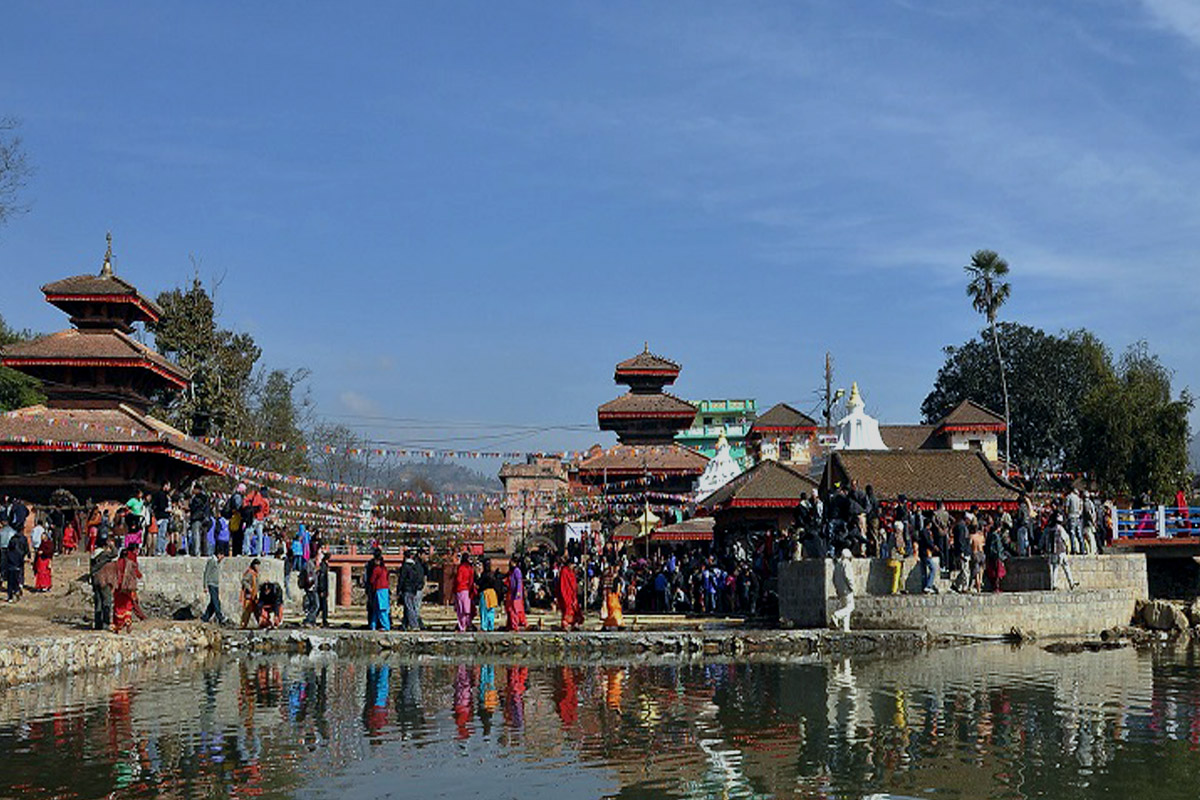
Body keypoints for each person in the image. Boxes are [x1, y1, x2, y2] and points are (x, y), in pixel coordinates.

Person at [109, 544, 145, 633]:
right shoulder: (130, 563)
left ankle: (117, 626)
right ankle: (128, 623)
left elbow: (111, 575)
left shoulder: (115, 564)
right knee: (128, 605)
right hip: (128, 588)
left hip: (118, 588)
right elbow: (136, 573)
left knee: (118, 606)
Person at [89, 536, 116, 629]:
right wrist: (112, 545)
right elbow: (114, 554)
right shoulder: (103, 554)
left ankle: (98, 624)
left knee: (98, 603)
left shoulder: (93, 554)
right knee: (106, 602)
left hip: (95, 581)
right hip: (103, 581)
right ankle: (106, 622)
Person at [397, 549, 425, 631]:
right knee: (409, 606)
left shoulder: (405, 566)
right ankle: (405, 624)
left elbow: (402, 579)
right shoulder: (415, 566)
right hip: (414, 589)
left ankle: (414, 624)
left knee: (409, 607)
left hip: (407, 589)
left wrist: (399, 589)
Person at [1049, 514, 1077, 591]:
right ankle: (1071, 583)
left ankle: (1054, 584)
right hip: (1061, 551)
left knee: (1055, 568)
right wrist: (1068, 548)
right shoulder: (1061, 529)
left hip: (1053, 552)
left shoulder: (1051, 530)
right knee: (1066, 567)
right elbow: (1066, 538)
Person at [201, 551, 230, 624]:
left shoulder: (217, 562)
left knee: (213, 602)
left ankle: (205, 617)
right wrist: (205, 585)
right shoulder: (212, 561)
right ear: (218, 554)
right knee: (216, 601)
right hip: (211, 584)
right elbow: (206, 573)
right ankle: (220, 616)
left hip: (215, 584)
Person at [366, 549, 391, 631]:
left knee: (380, 609)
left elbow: (372, 580)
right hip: (384, 589)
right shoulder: (384, 569)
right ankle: (373, 624)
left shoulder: (376, 569)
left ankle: (386, 626)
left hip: (379, 589)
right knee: (377, 609)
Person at [831, 548, 855, 632]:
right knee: (850, 607)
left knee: (845, 607)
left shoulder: (837, 564)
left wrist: (837, 588)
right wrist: (852, 587)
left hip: (840, 590)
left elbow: (833, 578)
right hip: (846, 589)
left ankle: (846, 628)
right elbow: (848, 577)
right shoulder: (846, 564)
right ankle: (836, 615)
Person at [556, 556, 582, 631]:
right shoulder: (564, 571)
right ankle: (565, 624)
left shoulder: (571, 572)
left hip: (572, 594)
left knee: (575, 609)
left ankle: (574, 624)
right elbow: (563, 584)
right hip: (566, 594)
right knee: (568, 609)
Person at [5, 523, 29, 602]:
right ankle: (19, 587)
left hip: (11, 564)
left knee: (10, 581)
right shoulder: (23, 539)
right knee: (19, 575)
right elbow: (26, 548)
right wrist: (27, 555)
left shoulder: (12, 539)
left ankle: (10, 595)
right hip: (19, 560)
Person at [453, 553, 475, 632]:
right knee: (467, 608)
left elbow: (458, 579)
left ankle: (462, 626)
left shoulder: (461, 568)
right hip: (467, 589)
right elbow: (472, 580)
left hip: (460, 589)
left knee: (461, 609)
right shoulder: (470, 568)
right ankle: (468, 623)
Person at [477, 558, 500, 632]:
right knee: (491, 611)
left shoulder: (484, 575)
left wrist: (478, 574)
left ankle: (484, 627)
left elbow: (479, 583)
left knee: (484, 611)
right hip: (492, 593)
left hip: (485, 593)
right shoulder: (492, 575)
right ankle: (491, 626)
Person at [916, 522, 939, 594]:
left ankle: (924, 587)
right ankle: (928, 586)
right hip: (926, 553)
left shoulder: (922, 532)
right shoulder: (925, 532)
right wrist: (933, 547)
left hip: (922, 553)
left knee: (924, 572)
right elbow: (928, 542)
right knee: (933, 569)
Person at [189, 484, 211, 556]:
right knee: (204, 537)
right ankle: (205, 552)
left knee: (196, 536)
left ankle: (197, 552)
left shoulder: (196, 498)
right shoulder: (206, 498)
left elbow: (193, 507)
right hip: (205, 519)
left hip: (197, 518)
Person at [150, 481, 171, 556]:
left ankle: (162, 549)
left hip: (161, 516)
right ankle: (160, 550)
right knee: (161, 534)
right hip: (162, 516)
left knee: (163, 534)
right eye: (168, 486)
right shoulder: (161, 495)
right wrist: (167, 509)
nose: (169, 488)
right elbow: (162, 506)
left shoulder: (163, 495)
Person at [505, 558, 526, 632]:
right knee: (510, 609)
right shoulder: (511, 572)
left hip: (516, 594)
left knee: (514, 610)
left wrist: (518, 591)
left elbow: (519, 582)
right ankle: (510, 625)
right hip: (511, 593)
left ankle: (515, 626)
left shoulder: (517, 571)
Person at [240, 559, 261, 629]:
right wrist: (249, 588)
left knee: (257, 610)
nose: (258, 567)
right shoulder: (250, 573)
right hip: (249, 595)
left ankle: (261, 623)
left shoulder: (255, 574)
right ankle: (243, 625)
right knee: (247, 611)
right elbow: (244, 581)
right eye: (256, 565)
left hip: (255, 595)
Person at [314, 551, 330, 627]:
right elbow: (322, 579)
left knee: (321, 606)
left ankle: (315, 619)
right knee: (323, 606)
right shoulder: (323, 566)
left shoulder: (323, 565)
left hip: (323, 589)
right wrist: (323, 590)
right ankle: (323, 620)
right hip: (322, 589)